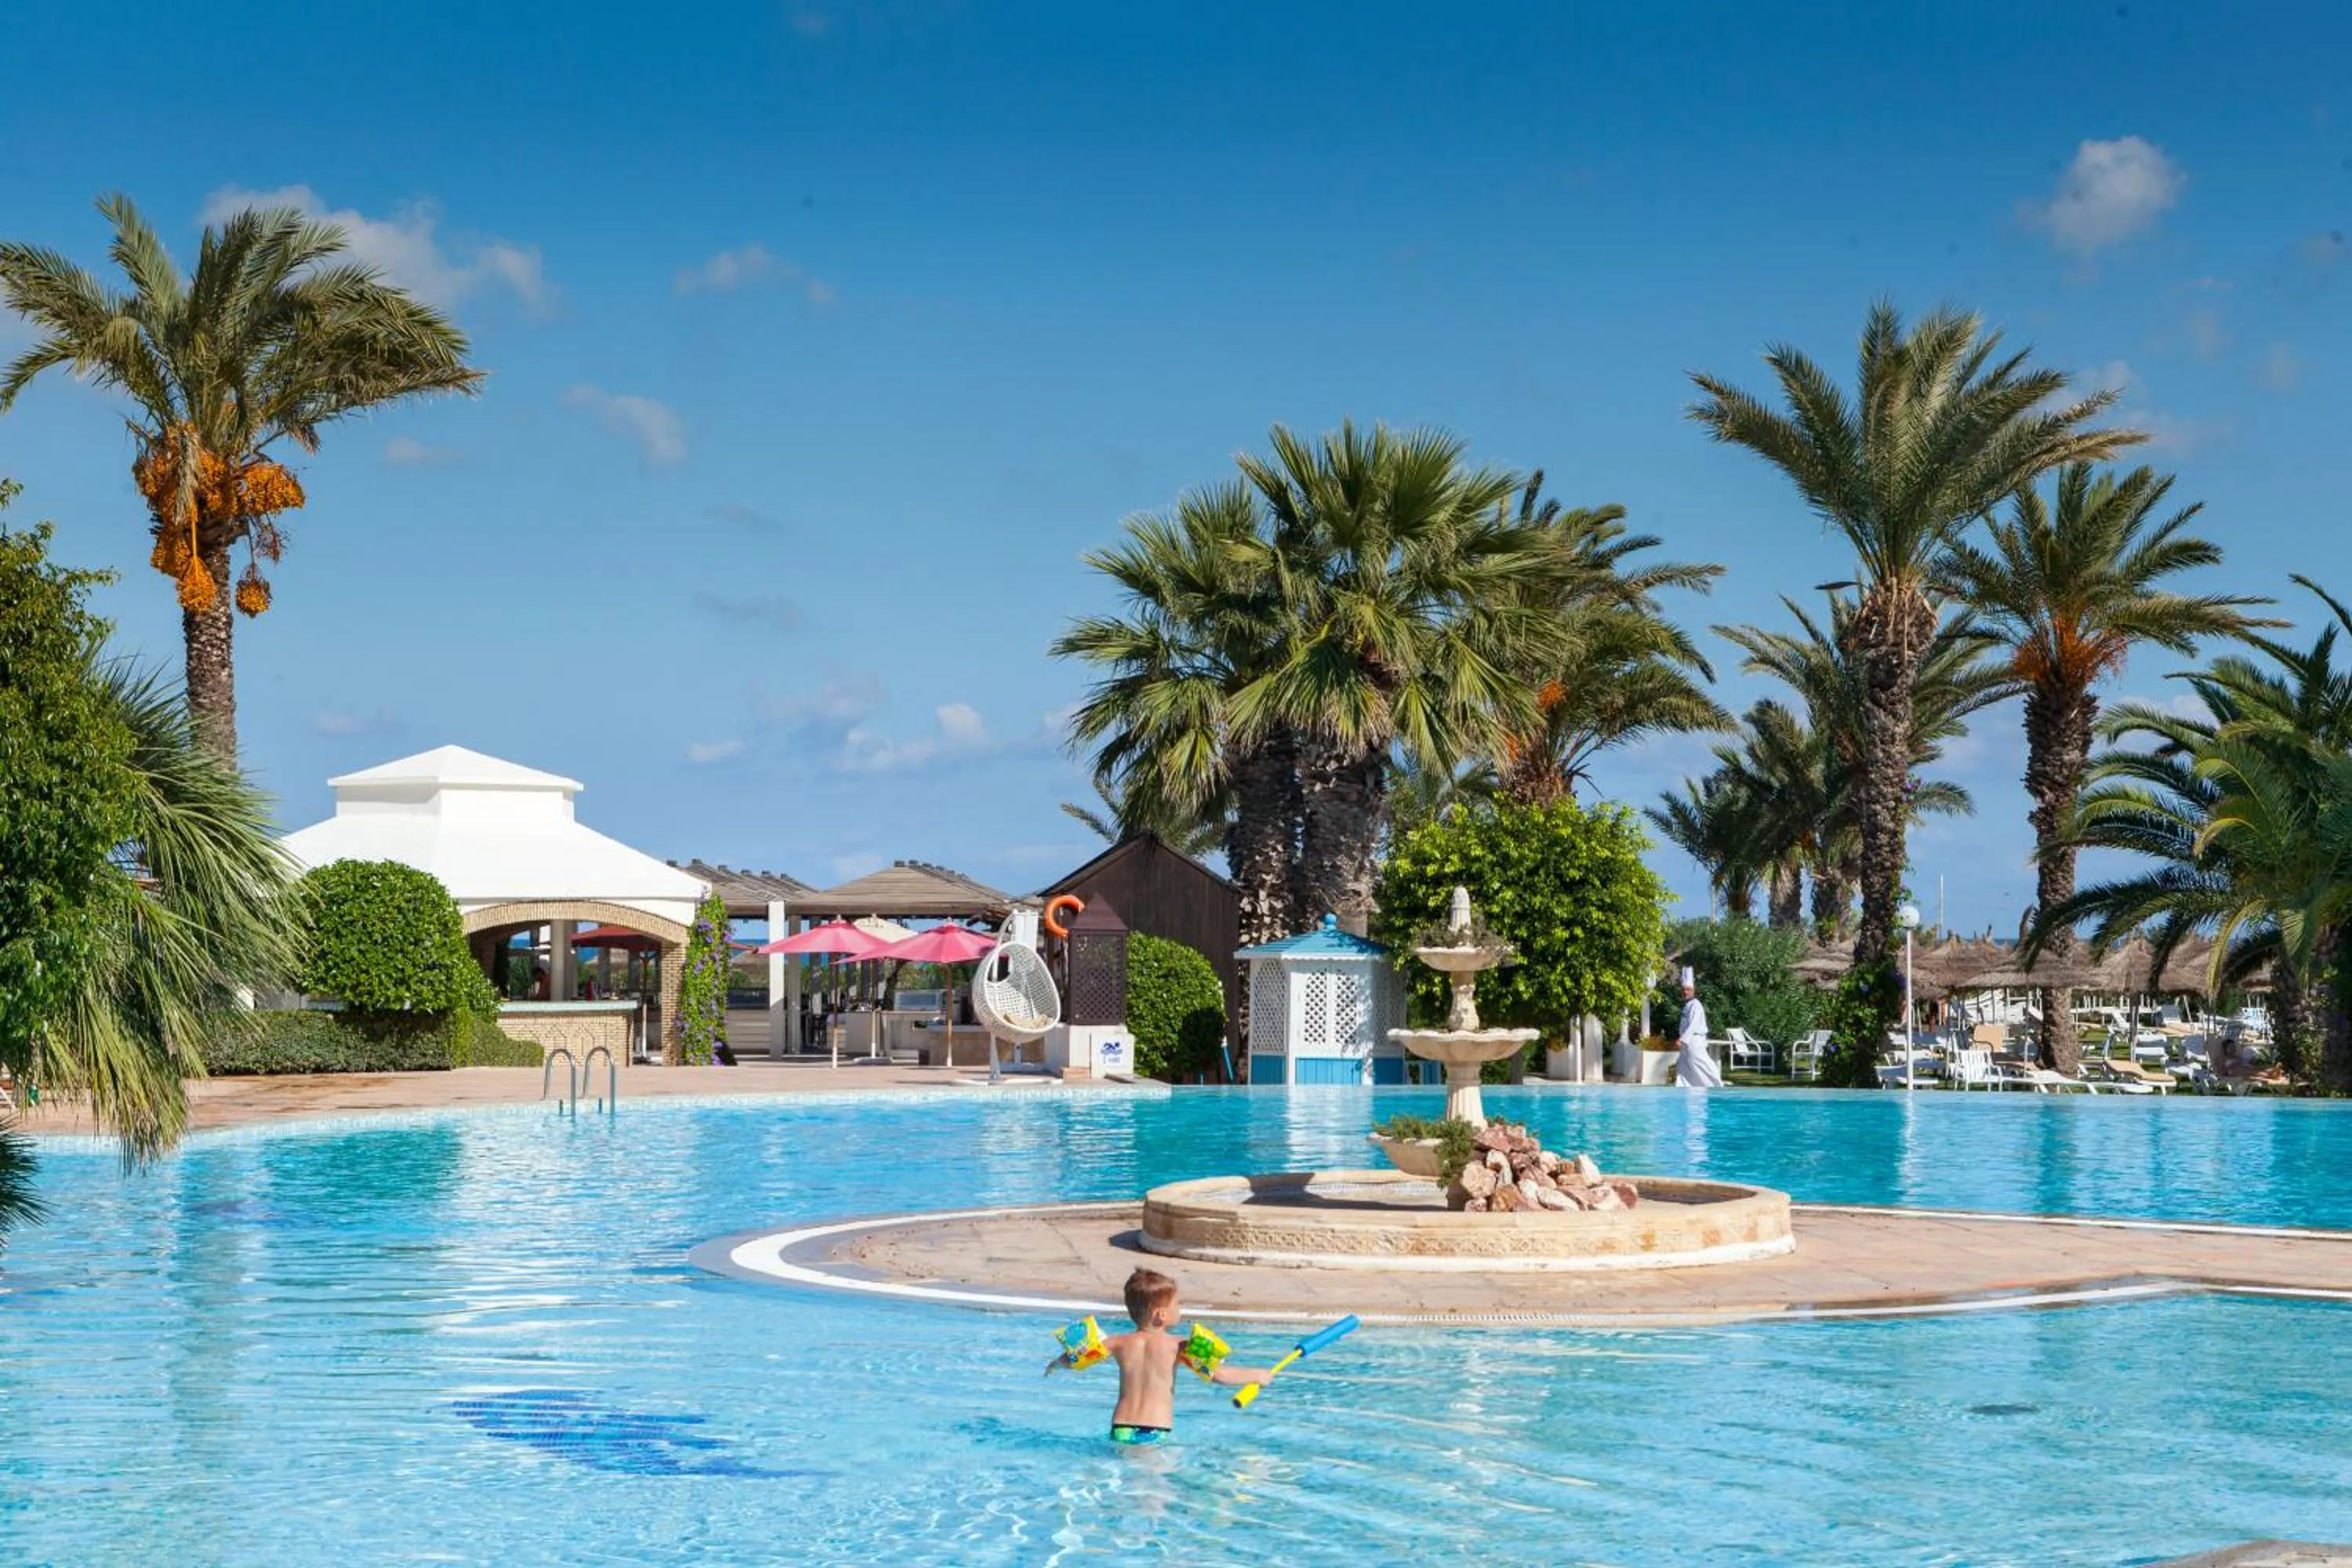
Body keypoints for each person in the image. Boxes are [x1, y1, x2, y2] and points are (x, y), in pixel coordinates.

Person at [1098, 1268, 1271, 1446]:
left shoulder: (1117, 1343)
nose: (1180, 1309)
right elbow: (1218, 1375)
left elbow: (1069, 1361)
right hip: (1154, 1428)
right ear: (1161, 1314)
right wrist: (1257, 1375)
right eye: (1177, 1304)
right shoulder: (1178, 1346)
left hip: (1120, 1427)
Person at [1675, 968, 1722, 1089]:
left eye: (1688, 990)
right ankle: (1685, 1087)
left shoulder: (1696, 1005)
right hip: (1687, 1042)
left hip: (1694, 1041)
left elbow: (1693, 1025)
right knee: (1684, 1066)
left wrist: (1682, 1039)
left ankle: (1717, 1084)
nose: (1685, 992)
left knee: (1701, 1063)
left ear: (1693, 991)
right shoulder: (1687, 1006)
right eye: (1684, 990)